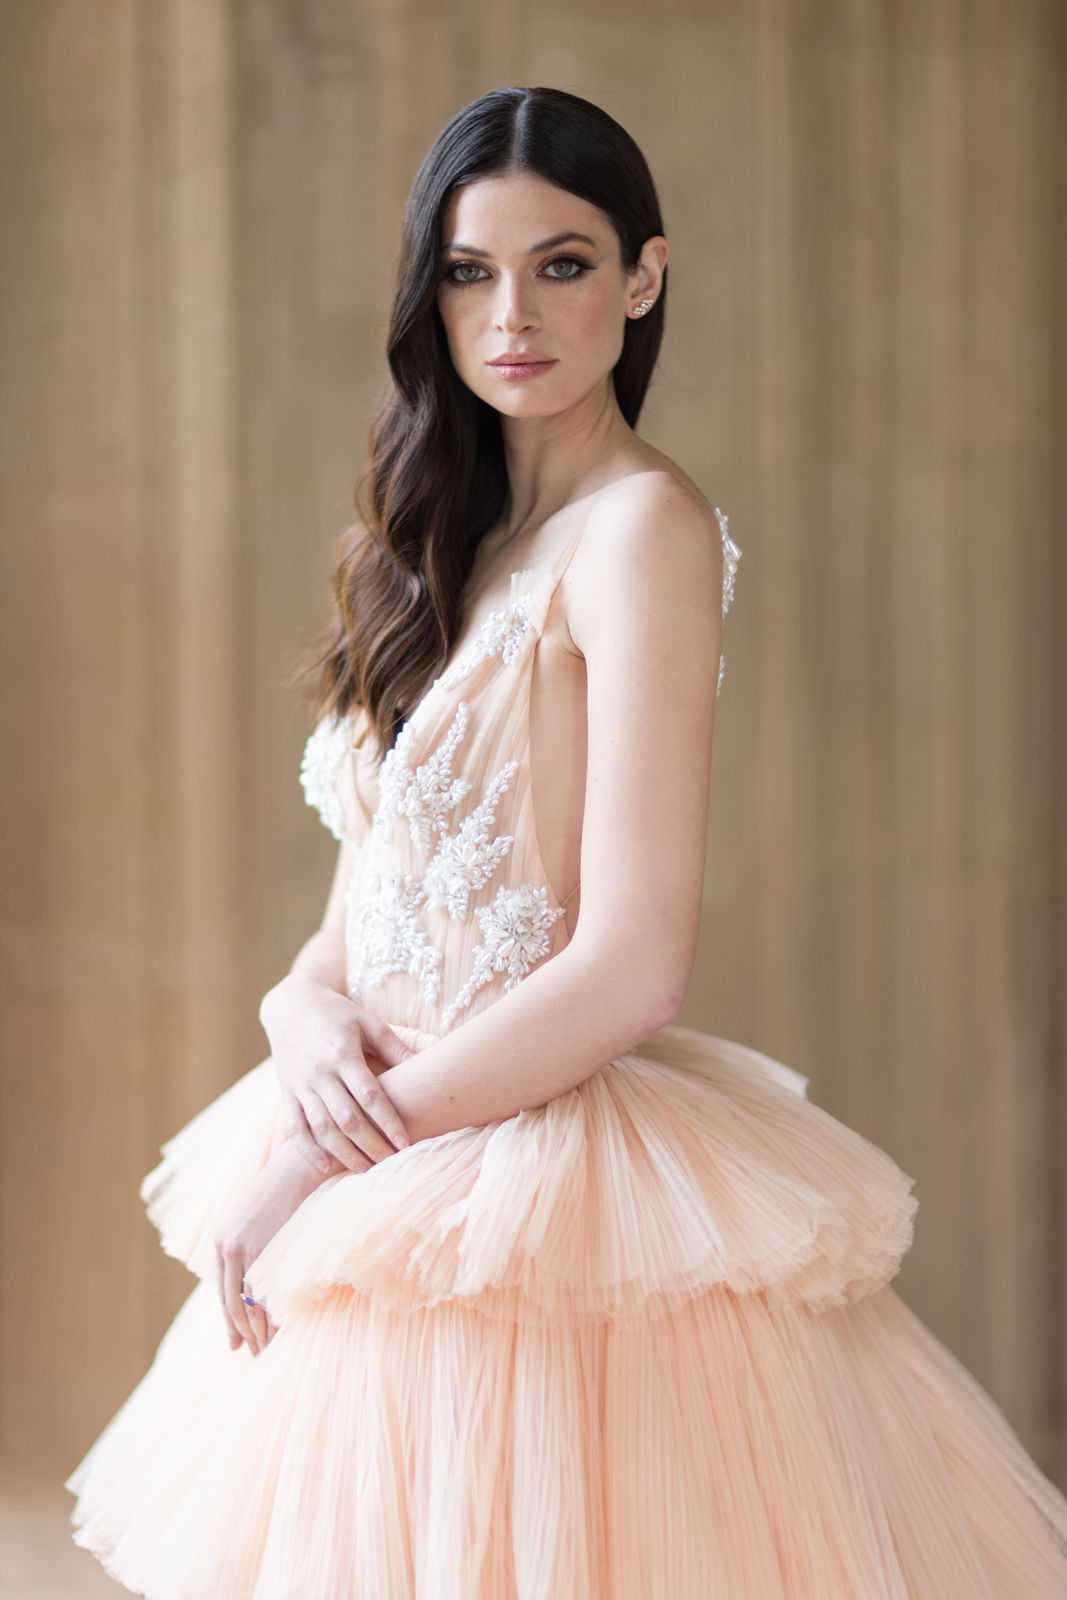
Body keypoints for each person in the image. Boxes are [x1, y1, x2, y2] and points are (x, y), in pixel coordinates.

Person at [66, 85, 1067, 1596]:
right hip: (381, 1160)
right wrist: (296, 1012)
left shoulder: (643, 533)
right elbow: (359, 920)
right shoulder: (447, 544)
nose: (512, 312)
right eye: (470, 271)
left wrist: (328, 1164)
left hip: (514, 1182)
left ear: (644, 279)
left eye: (565, 263)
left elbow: (631, 969)